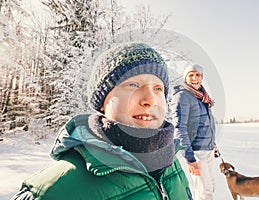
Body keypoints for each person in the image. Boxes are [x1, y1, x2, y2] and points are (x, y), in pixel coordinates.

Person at [11, 43, 192, 200]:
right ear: (103, 102)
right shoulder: (55, 190)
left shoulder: (171, 162)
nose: (150, 100)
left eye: (158, 88)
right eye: (133, 85)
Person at [171, 64, 217, 200]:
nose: (194, 78)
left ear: (201, 78)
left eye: (197, 75)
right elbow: (179, 128)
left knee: (210, 189)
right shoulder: (182, 96)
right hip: (196, 152)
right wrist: (190, 159)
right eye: (191, 75)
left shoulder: (203, 98)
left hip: (207, 150)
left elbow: (205, 124)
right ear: (186, 78)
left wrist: (212, 143)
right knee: (205, 193)